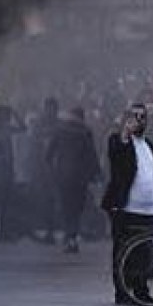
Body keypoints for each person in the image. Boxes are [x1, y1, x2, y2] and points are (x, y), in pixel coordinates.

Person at [101, 102, 153, 306]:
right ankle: (122, 292)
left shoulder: (149, 145)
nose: (138, 120)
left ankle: (142, 291)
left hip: (149, 209)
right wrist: (125, 133)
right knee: (123, 251)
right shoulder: (117, 141)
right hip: (126, 207)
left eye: (142, 116)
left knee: (144, 254)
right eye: (134, 116)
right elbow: (116, 159)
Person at [47, 107, 101, 253]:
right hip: (80, 177)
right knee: (77, 208)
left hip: (63, 175)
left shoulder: (59, 130)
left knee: (66, 207)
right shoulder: (85, 132)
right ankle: (72, 237)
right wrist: (97, 174)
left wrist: (53, 170)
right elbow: (92, 154)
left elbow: (49, 154)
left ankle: (69, 236)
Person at [0, 105, 25, 242]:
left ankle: (0, 231)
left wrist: (15, 113)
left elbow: (23, 128)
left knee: (5, 201)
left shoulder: (5, 128)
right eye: (6, 114)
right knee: (0, 200)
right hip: (0, 168)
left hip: (7, 167)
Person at [27, 97, 61, 244]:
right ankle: (44, 229)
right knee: (40, 199)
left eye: (52, 108)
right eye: (48, 108)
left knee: (51, 200)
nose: (50, 111)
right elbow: (33, 145)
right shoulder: (39, 124)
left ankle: (50, 231)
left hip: (55, 168)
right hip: (41, 167)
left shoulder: (59, 125)